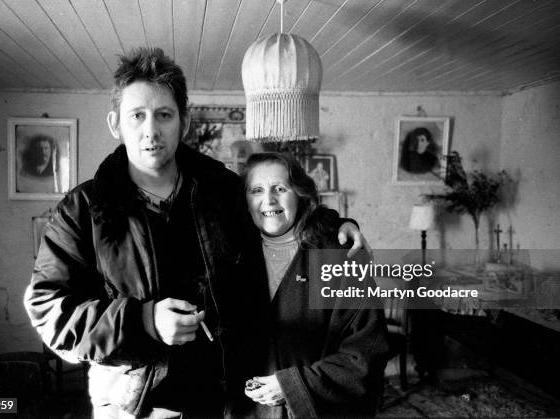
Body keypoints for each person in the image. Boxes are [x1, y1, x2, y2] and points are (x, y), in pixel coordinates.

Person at [23, 47, 364, 418]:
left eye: (164, 115)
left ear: (183, 123)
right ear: (115, 123)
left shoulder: (223, 190)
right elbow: (48, 311)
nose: (150, 130)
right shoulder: (82, 210)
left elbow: (277, 213)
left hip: (225, 401)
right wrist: (144, 321)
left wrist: (336, 226)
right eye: (137, 116)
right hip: (135, 407)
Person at [242, 152, 388, 418]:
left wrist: (294, 385)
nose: (269, 200)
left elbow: (366, 353)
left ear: (299, 194)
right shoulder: (233, 256)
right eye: (257, 190)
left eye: (280, 188)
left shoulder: (340, 255)